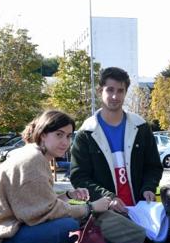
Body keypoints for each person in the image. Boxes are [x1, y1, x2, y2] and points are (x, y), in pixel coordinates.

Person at [0, 110, 111, 243]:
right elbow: (44, 213)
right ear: (43, 134)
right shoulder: (33, 161)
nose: (65, 142)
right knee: (69, 226)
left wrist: (68, 195)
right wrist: (90, 207)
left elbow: (39, 204)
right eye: (59, 135)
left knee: (68, 224)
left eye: (68, 136)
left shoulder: (34, 154)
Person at [69, 67, 163, 215]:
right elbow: (79, 177)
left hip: (141, 211)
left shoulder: (141, 127)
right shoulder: (86, 132)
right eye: (110, 90)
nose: (115, 96)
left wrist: (148, 187)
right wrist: (108, 198)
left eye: (120, 91)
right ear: (100, 91)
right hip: (105, 214)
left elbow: (153, 166)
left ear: (126, 92)